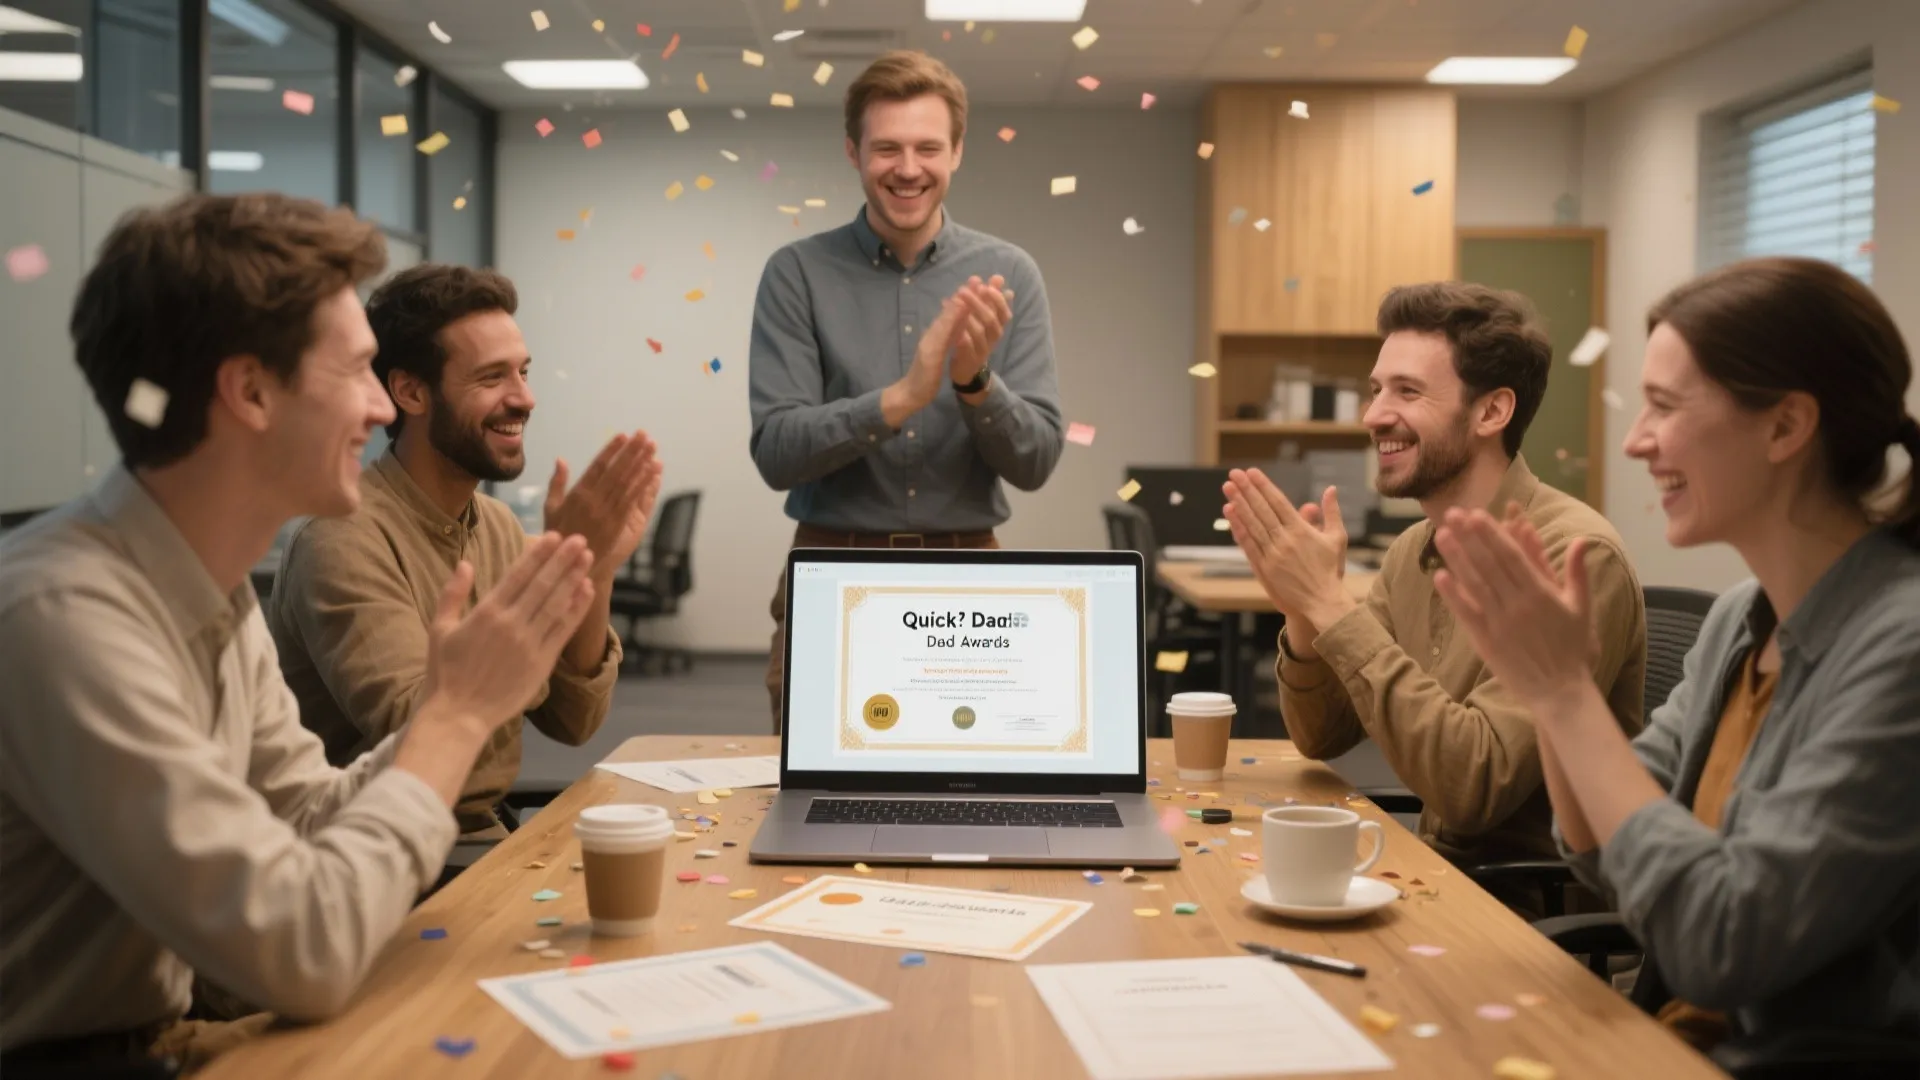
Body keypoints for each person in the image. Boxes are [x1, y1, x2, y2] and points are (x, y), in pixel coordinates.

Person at [0, 193, 599, 1073]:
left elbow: (308, 814)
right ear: (249, 391)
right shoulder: (66, 619)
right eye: (357, 371)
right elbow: (303, 954)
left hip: (166, 1030)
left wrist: (457, 703)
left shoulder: (209, 589)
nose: (384, 409)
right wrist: (456, 716)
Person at [1430, 257, 1920, 1057]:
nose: (1634, 442)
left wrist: (1562, 695)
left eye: (1662, 406)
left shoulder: (1902, 648)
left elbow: (1723, 944)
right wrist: (1546, 680)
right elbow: (1596, 845)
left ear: (1786, 426)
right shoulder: (1740, 618)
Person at [1224, 282, 1648, 869]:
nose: (1374, 416)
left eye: (1407, 391)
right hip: (1436, 876)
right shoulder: (1412, 552)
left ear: (1492, 411)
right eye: (1376, 391)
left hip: (1525, 909)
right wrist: (1302, 611)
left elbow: (1474, 786)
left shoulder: (1574, 556)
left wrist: (1331, 604)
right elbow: (1323, 734)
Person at [267, 264, 660, 840]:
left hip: (473, 838)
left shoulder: (496, 525)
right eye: (491, 377)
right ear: (409, 391)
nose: (524, 399)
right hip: (374, 851)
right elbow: (429, 741)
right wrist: (556, 570)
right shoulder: (339, 540)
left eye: (523, 372)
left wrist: (594, 572)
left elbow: (575, 721)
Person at [749, 49, 1065, 730]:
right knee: (819, 801)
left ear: (956, 153)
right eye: (886, 147)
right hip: (833, 572)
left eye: (928, 147)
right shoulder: (795, 273)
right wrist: (903, 397)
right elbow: (776, 453)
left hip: (971, 579)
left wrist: (974, 385)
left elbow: (1037, 461)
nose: (908, 168)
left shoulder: (1010, 272)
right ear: (853, 152)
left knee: (976, 789)